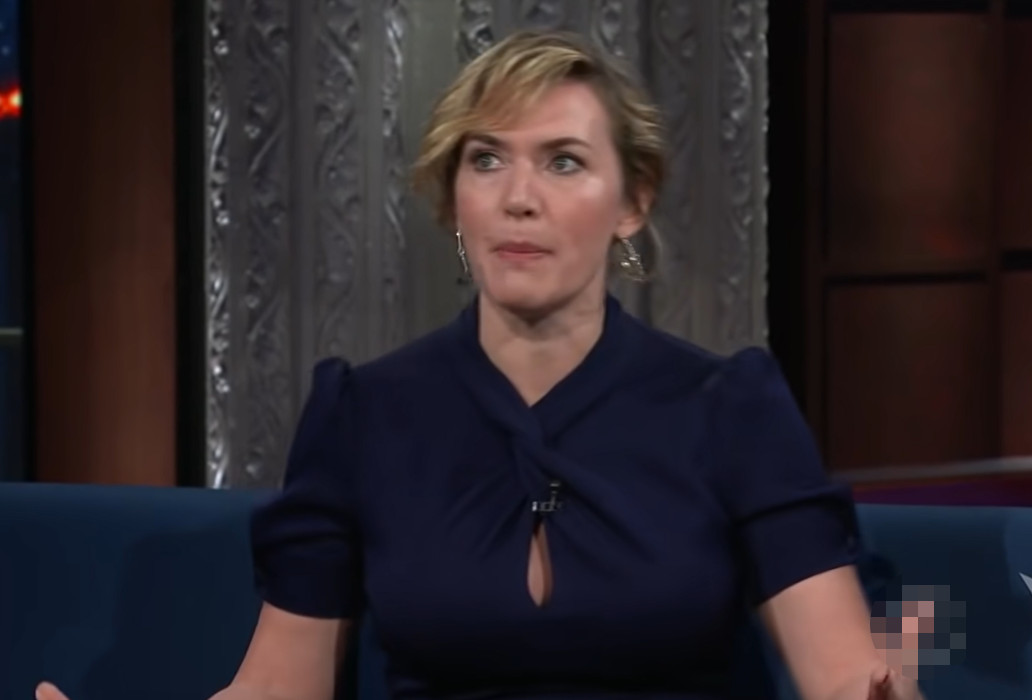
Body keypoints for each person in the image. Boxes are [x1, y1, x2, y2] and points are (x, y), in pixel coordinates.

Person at [38, 29, 922, 700]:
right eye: (487, 159)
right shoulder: (364, 414)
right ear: (452, 196)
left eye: (563, 162)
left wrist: (890, 683)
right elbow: (280, 686)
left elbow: (845, 674)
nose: (518, 198)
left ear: (632, 202)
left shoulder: (729, 406)